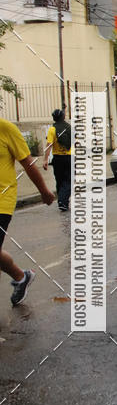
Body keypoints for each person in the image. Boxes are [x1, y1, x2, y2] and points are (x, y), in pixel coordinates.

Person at [0, 118, 55, 305]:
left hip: (2, 201)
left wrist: (44, 191)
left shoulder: (6, 129)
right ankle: (21, 277)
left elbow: (28, 164)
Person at [43, 108, 71, 211]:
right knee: (69, 180)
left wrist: (45, 160)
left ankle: (62, 201)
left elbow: (49, 145)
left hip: (57, 159)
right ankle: (63, 201)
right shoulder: (69, 128)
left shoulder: (52, 129)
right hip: (69, 158)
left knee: (59, 180)